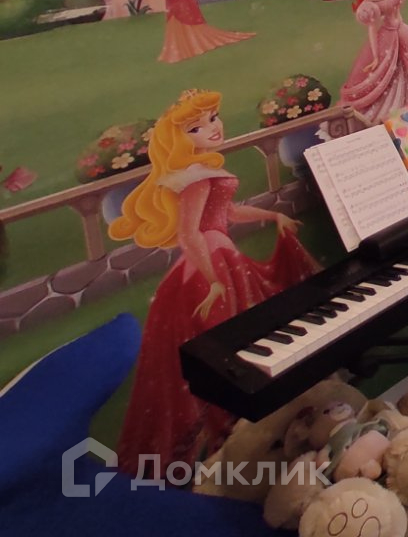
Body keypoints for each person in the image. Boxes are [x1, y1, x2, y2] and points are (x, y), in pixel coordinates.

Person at [110, 89, 317, 472]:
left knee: (240, 339)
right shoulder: (193, 180)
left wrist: (272, 217)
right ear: (178, 139)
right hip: (209, 266)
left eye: (213, 117)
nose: (212, 128)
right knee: (227, 349)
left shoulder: (203, 173)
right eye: (196, 127)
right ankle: (231, 444)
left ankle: (246, 435)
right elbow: (189, 234)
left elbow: (229, 212)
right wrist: (212, 279)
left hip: (221, 259)